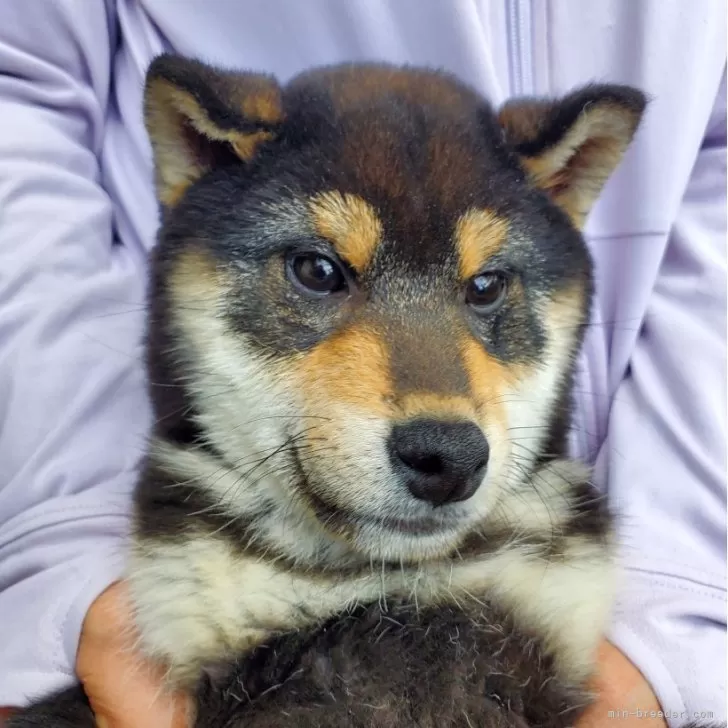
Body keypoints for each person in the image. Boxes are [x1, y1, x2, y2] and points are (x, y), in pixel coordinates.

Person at [0, 1, 725, 727]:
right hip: (152, 521)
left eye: (483, 288)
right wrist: (61, 523)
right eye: (319, 273)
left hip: (604, 566)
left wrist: (683, 599)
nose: (433, 398)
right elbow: (19, 79)